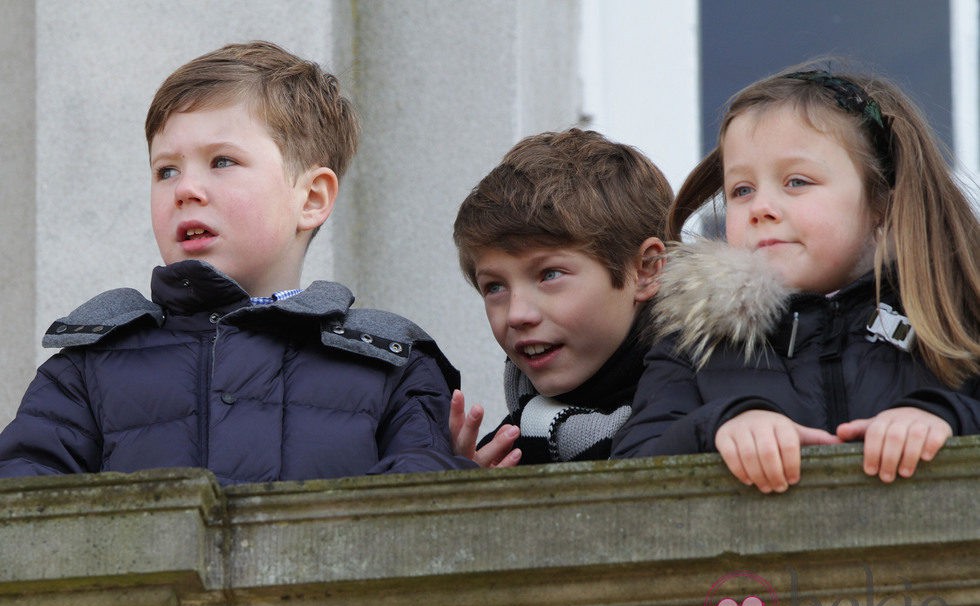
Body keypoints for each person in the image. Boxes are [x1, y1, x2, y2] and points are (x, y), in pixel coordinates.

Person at [0, 41, 475, 484]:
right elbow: (26, 513)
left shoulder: (391, 364)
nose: (185, 189)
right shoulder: (87, 368)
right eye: (166, 170)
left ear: (311, 197)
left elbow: (408, 521)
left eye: (222, 161)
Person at [612, 63, 980, 493]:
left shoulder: (953, 314)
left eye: (796, 181)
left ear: (880, 202)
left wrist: (947, 417)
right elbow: (629, 470)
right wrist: (720, 426)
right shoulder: (694, 344)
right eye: (741, 190)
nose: (760, 207)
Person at [451, 128, 673, 466]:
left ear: (646, 269)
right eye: (495, 287)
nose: (516, 315)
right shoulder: (504, 453)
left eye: (549, 275)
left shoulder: (724, 405)